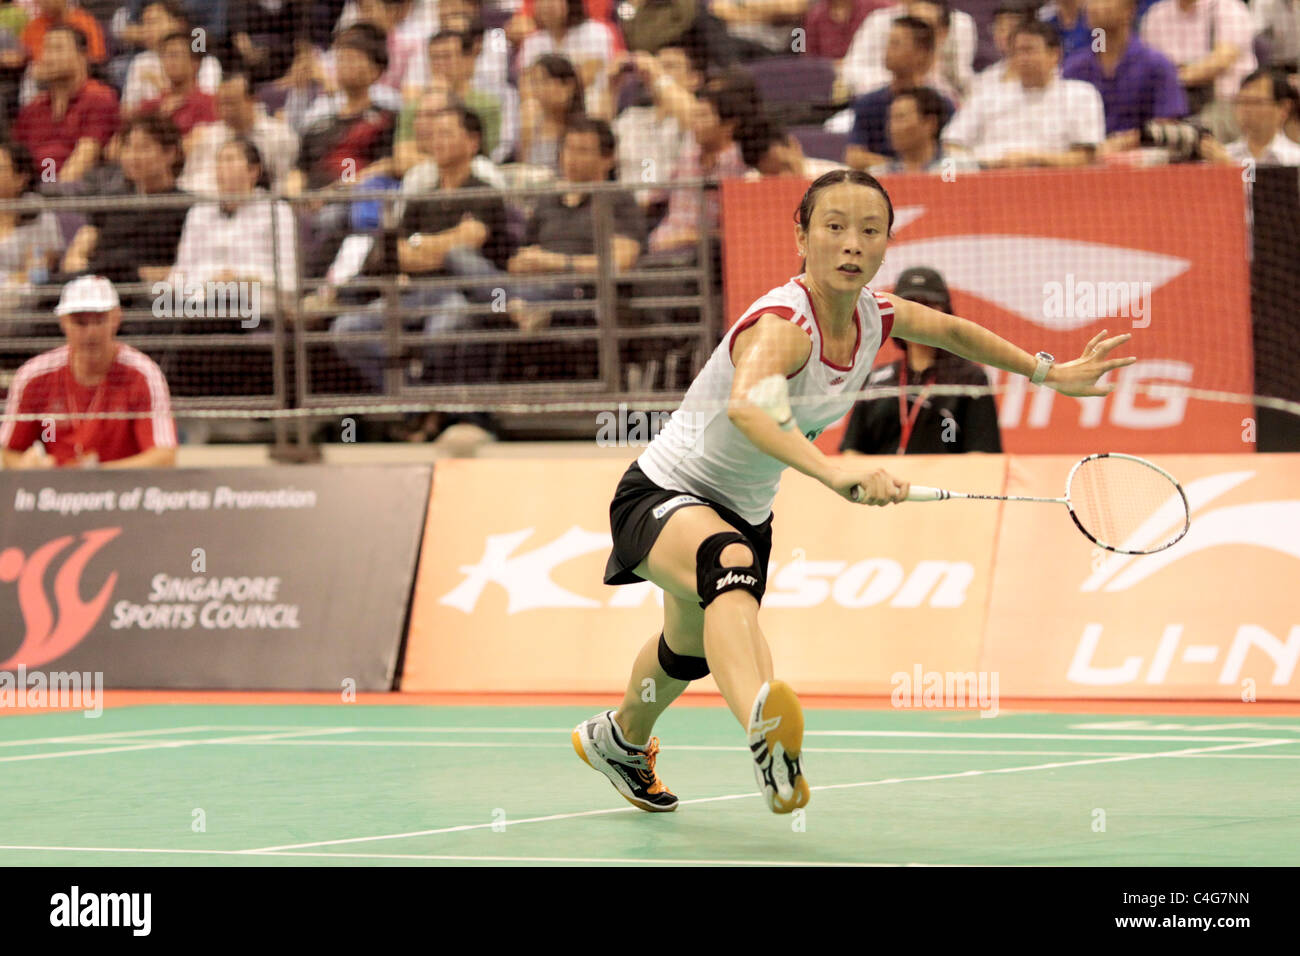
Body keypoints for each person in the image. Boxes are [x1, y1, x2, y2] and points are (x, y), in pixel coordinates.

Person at [573, 168, 1134, 814]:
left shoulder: (875, 316)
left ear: (886, 244)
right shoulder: (785, 324)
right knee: (727, 565)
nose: (851, 245)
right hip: (662, 494)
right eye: (834, 228)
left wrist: (1048, 371)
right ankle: (765, 739)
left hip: (742, 509)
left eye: (870, 231)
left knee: (687, 650)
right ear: (801, 237)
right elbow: (749, 409)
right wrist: (835, 471)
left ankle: (620, 738)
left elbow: (951, 332)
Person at [1, 274, 178, 469]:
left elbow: (164, 456)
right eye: (80, 322)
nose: (91, 332)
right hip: (54, 493)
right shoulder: (33, 377)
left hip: (124, 492)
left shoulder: (144, 375)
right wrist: (28, 466)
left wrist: (93, 479)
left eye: (99, 320)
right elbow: (8, 451)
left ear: (117, 318)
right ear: (63, 322)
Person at [840, 266, 1002, 454]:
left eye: (928, 304)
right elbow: (852, 451)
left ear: (946, 311)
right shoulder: (874, 379)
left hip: (945, 482)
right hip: (884, 482)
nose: (918, 314)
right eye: (910, 303)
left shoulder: (970, 378)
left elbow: (982, 455)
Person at [941, 20, 1105, 167]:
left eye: (1029, 50)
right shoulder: (987, 95)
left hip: (1054, 182)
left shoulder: (1081, 94)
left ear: (1054, 54)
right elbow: (951, 143)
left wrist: (1032, 159)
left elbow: (1085, 157)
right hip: (989, 179)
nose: (1023, 58)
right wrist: (983, 162)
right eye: (1017, 52)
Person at [62, 113, 190, 287]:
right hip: (98, 288)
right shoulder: (113, 203)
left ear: (170, 153)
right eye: (128, 147)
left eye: (143, 148)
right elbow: (75, 255)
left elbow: (190, 269)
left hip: (148, 295)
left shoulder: (187, 207)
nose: (133, 156)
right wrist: (89, 275)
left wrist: (133, 273)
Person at [1063, 0, 1187, 140]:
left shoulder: (1157, 65)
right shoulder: (1074, 67)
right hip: (1087, 156)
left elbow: (1168, 125)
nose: (1095, 6)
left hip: (1145, 156)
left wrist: (1128, 141)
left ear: (1129, 9)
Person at [11, 24, 118, 187]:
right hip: (33, 193)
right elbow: (14, 160)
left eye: (58, 49)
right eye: (46, 49)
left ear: (82, 55)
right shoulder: (33, 108)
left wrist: (52, 196)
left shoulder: (99, 97)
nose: (49, 57)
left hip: (79, 193)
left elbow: (85, 156)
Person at [844, 17, 955, 169]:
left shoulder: (941, 105)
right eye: (888, 43)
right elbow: (855, 157)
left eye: (896, 44)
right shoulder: (868, 103)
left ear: (921, 53)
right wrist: (900, 170)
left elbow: (952, 152)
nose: (887, 50)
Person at [1140, 0, 1258, 141]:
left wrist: (1171, 78)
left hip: (1222, 105)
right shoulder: (1156, 14)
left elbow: (1221, 61)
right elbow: (1148, 67)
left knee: (1206, 130)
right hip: (1172, 106)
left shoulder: (1228, 8)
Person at [1202, 67, 1300, 161]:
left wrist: (1230, 169)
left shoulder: (1295, 158)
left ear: (1284, 108)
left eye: (1255, 102)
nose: (1245, 109)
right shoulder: (1222, 155)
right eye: (1241, 101)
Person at [517, 52, 586, 171]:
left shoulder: (584, 127)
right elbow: (523, 170)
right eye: (535, 82)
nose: (538, 89)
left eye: (544, 81)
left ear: (568, 85)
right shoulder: (530, 126)